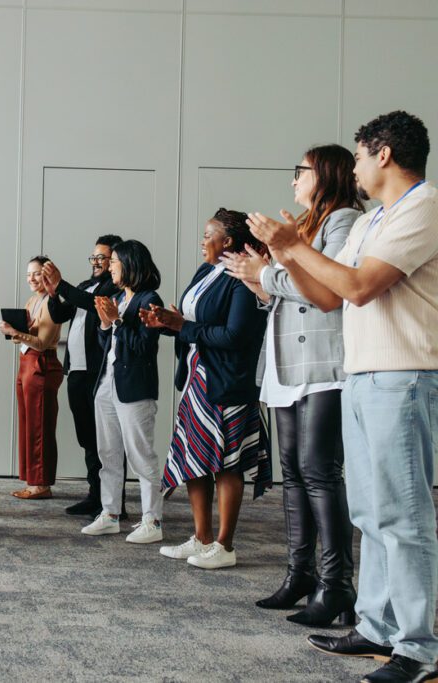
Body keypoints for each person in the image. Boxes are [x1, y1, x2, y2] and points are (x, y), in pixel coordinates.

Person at [249, 111, 438, 683]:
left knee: (403, 517)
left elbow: (359, 285)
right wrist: (284, 257)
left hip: (403, 376)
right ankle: (378, 627)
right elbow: (331, 296)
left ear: (383, 154)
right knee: (371, 512)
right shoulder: (370, 221)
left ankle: (420, 648)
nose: (352, 166)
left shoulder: (425, 206)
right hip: (362, 376)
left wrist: (290, 247)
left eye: (358, 155)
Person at [222, 144, 362, 627]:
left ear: (324, 173)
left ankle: (337, 584)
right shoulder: (301, 227)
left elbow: (325, 292)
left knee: (320, 471)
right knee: (294, 473)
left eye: (299, 171)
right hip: (285, 363)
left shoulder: (343, 220)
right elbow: (284, 290)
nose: (293, 179)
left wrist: (269, 273)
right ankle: (299, 573)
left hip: (324, 363)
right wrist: (256, 280)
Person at [141, 208, 270, 571]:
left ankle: (225, 545)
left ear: (227, 241)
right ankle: (201, 537)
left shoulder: (243, 277)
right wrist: (166, 323)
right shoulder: (206, 271)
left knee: (225, 464)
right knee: (194, 458)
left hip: (228, 380)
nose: (202, 241)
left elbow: (236, 336)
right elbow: (191, 324)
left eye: (207, 235)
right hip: (197, 377)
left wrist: (183, 325)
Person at [79, 241, 164, 543]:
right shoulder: (116, 297)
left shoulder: (148, 299)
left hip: (135, 388)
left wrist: (116, 320)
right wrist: (105, 326)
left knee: (141, 455)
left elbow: (143, 347)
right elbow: (110, 344)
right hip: (107, 383)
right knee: (108, 453)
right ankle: (110, 514)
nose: (110, 266)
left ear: (130, 264)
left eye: (114, 261)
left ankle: (152, 521)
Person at [42, 236, 125, 517]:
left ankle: (115, 502)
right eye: (95, 257)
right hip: (76, 370)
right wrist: (53, 294)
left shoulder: (113, 286)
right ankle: (95, 494)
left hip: (97, 372)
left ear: (115, 260)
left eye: (103, 257)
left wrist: (61, 284)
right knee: (88, 437)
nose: (97, 262)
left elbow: (93, 304)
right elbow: (59, 314)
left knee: (107, 439)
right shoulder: (84, 285)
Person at [0, 256, 63, 499]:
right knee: (28, 423)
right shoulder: (32, 300)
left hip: (42, 362)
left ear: (48, 274)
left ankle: (41, 484)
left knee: (40, 426)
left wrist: (16, 332)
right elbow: (22, 338)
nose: (31, 278)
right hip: (26, 363)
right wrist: (14, 332)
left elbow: (42, 342)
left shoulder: (51, 302)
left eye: (36, 273)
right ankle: (32, 480)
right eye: (29, 274)